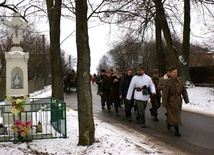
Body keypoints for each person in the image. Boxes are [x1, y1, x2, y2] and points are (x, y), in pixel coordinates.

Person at [162, 66, 189, 137]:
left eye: (176, 72)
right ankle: (177, 130)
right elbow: (165, 93)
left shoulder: (180, 80)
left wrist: (186, 99)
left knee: (176, 114)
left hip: (179, 100)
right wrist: (164, 102)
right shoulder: (168, 82)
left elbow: (184, 90)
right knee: (175, 115)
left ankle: (169, 123)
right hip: (171, 100)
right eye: (174, 72)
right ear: (170, 73)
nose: (175, 73)